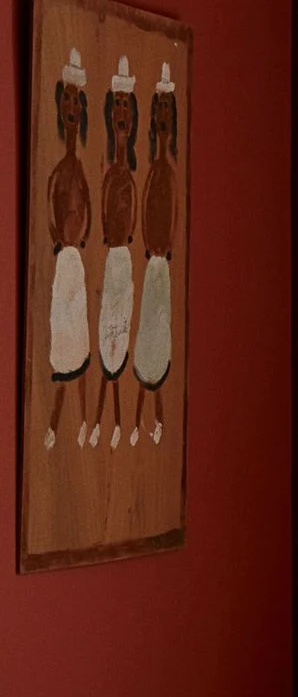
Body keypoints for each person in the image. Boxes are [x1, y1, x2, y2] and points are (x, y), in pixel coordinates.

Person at [44, 48, 91, 451]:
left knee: (80, 343)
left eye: (77, 99)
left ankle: (82, 422)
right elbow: (48, 204)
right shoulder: (60, 170)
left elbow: (86, 207)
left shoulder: (75, 170)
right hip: (65, 260)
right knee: (63, 347)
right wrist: (60, 241)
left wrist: (83, 236)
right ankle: (56, 425)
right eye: (67, 99)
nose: (71, 107)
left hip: (75, 257)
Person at [134, 63, 178, 444]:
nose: (162, 117)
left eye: (167, 109)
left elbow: (170, 212)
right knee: (147, 332)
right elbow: (147, 205)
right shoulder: (153, 172)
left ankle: (156, 420)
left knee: (159, 337)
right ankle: (140, 418)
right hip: (152, 261)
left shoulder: (167, 172)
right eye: (158, 109)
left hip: (160, 262)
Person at [97, 59, 138, 449]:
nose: (120, 113)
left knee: (121, 340)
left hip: (124, 260)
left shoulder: (127, 174)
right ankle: (104, 418)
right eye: (116, 106)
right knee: (105, 343)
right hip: (110, 260)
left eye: (126, 106)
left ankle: (120, 420)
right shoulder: (109, 174)